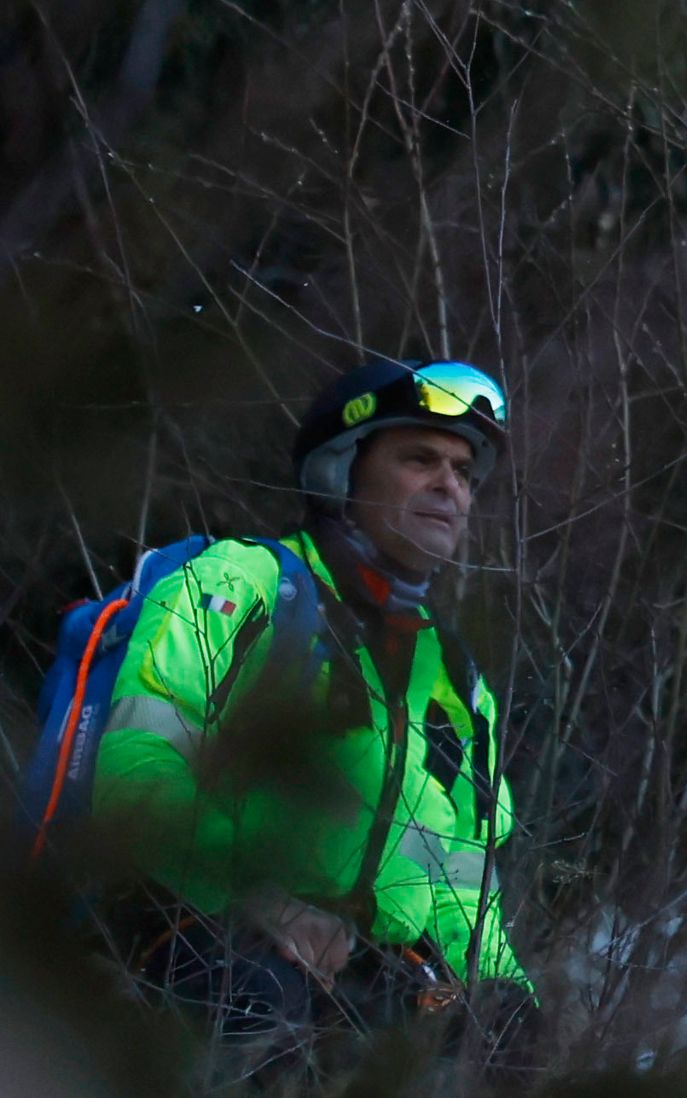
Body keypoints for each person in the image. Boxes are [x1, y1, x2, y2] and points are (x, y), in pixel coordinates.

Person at [73, 358, 527, 1076]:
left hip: (367, 971)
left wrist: (505, 995)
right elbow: (134, 777)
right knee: (260, 1012)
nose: (452, 488)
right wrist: (260, 896)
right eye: (421, 460)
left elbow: (465, 880)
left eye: (465, 474)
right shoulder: (239, 583)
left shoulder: (452, 678)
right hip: (197, 925)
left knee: (511, 1046)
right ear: (340, 472)